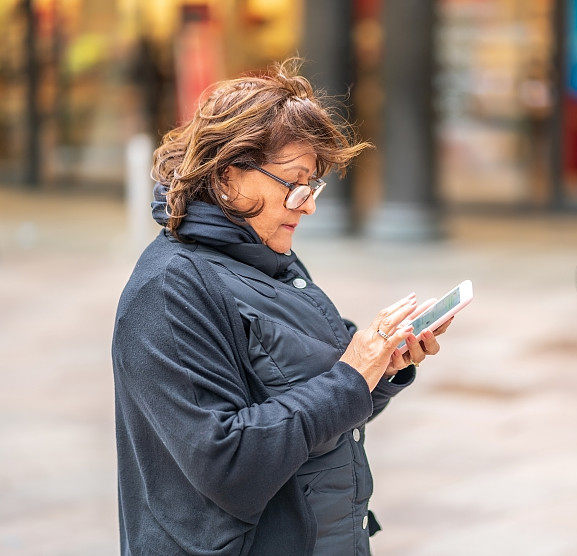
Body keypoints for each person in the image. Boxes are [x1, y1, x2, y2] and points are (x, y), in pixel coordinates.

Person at [111, 59, 454, 555]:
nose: (308, 204)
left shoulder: (273, 255)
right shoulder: (168, 290)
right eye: (295, 183)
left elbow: (323, 406)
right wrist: (351, 377)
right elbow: (228, 463)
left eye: (313, 185)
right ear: (229, 178)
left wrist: (381, 367)